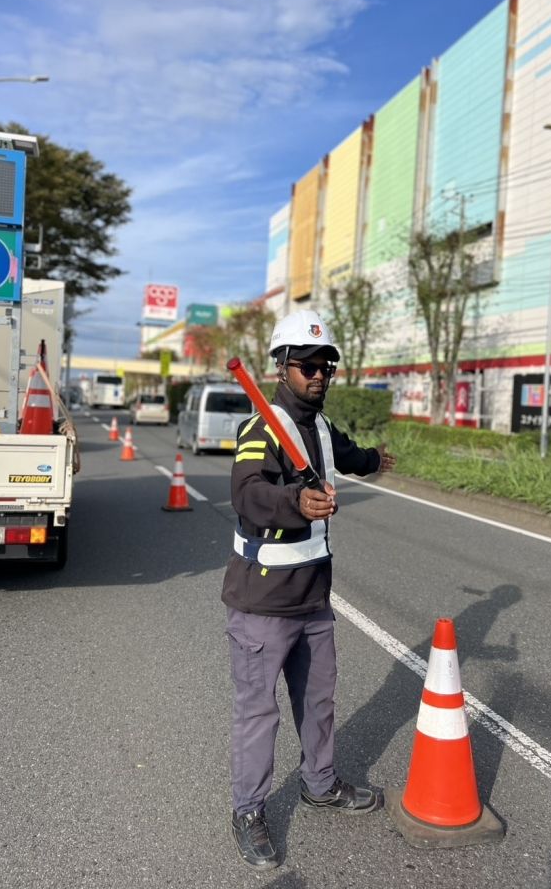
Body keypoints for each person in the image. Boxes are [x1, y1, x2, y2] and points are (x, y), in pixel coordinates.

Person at [222, 308, 396, 869]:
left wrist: (373, 461)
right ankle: (248, 811)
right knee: (259, 714)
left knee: (319, 701)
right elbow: (247, 493)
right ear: (281, 367)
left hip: (314, 601)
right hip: (263, 603)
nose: (318, 374)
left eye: (327, 366)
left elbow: (346, 454)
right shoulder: (261, 429)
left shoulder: (318, 427)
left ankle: (319, 784)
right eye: (307, 365)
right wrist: (294, 502)